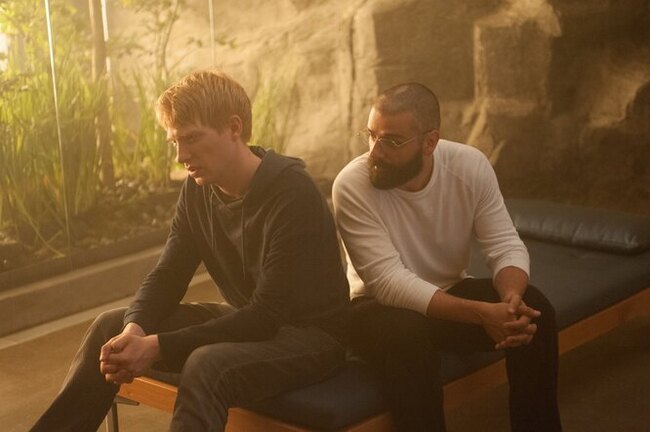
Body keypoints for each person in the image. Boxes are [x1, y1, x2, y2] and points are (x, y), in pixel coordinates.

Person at [31, 70, 349, 432]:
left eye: (192, 138)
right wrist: (135, 329)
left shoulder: (292, 193)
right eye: (174, 141)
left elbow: (265, 315)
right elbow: (169, 274)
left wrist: (159, 346)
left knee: (206, 363)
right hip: (253, 320)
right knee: (110, 327)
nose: (181, 155)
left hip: (312, 338)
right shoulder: (199, 189)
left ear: (234, 127)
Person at [332, 82, 561, 432]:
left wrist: (510, 302)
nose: (375, 151)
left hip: (447, 295)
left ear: (430, 142)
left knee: (533, 312)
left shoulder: (469, 166)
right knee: (406, 334)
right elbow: (389, 283)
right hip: (375, 309)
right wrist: (482, 313)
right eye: (371, 135)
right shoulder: (351, 184)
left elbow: (504, 244)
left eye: (392, 141)